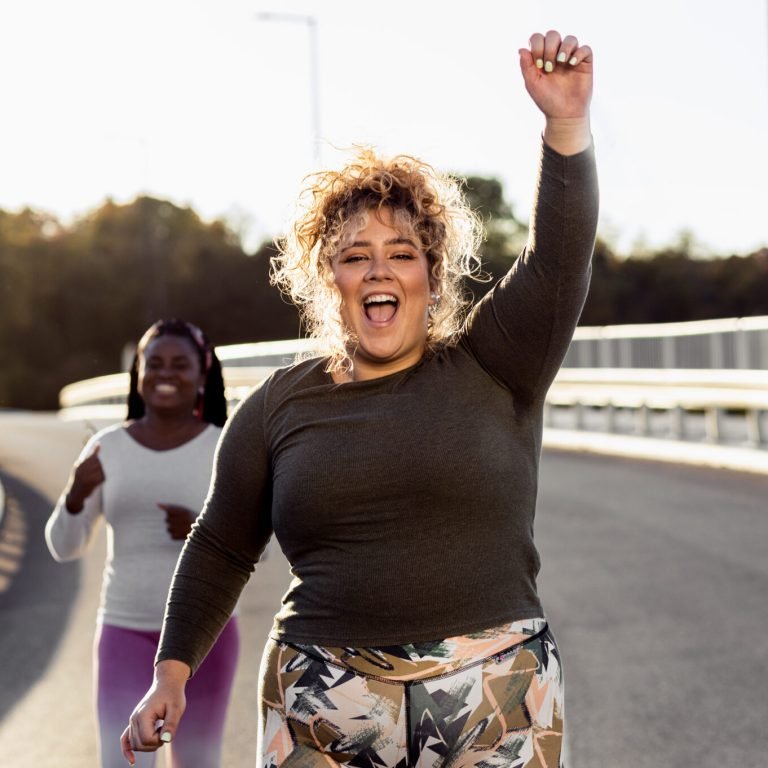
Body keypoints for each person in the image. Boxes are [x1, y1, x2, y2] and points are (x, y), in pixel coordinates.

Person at [123, 29, 597, 768]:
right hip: (322, 703)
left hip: (494, 693)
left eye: (402, 253)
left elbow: (558, 262)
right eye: (354, 256)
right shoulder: (278, 405)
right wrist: (170, 673)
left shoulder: (497, 362)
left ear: (432, 278)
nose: (379, 270)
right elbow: (220, 544)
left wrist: (565, 125)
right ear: (329, 281)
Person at [46, 319, 240, 768]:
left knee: (198, 762)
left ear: (202, 374)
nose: (165, 373)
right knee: (123, 762)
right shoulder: (106, 448)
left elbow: (259, 549)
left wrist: (200, 529)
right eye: (154, 363)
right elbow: (63, 547)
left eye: (179, 364)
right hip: (125, 631)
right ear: (138, 373)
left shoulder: (225, 449)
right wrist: (75, 495)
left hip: (205, 636)